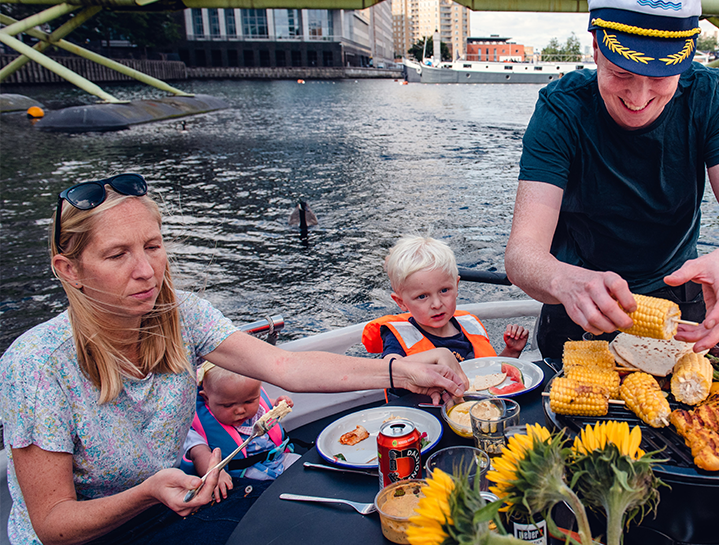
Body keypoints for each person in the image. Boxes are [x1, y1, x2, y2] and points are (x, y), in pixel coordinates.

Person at [0, 173, 468, 545]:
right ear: (70, 270)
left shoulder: (183, 316)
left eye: (153, 246)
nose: (146, 271)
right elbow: (53, 524)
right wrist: (144, 494)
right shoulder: (36, 364)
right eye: (117, 255)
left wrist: (404, 369)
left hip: (168, 508)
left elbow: (285, 367)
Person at [504, 0, 719, 358]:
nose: (638, 97)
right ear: (596, 49)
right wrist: (563, 280)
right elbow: (523, 251)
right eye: (621, 72)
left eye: (662, 77)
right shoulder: (561, 110)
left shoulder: (710, 96)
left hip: (677, 301)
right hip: (576, 304)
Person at [362, 235, 529, 361]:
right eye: (422, 296)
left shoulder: (469, 325)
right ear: (401, 302)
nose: (436, 304)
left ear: (456, 286)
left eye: (444, 290)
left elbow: (488, 376)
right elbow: (391, 369)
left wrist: (511, 352)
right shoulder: (398, 339)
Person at [182, 362, 299, 502]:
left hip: (279, 459)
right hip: (245, 475)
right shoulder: (198, 427)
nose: (240, 410)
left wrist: (278, 404)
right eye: (228, 405)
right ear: (207, 398)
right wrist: (215, 473)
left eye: (249, 401)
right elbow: (199, 454)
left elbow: (265, 405)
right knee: (270, 496)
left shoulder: (253, 404)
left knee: (306, 469)